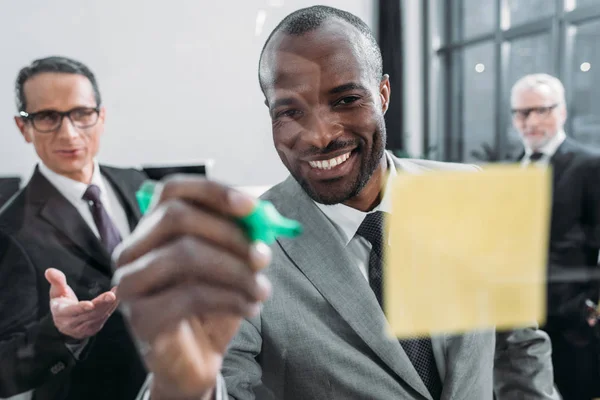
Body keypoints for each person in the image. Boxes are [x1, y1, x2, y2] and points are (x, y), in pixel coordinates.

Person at [117, 6, 557, 400]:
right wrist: (181, 384)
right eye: (290, 111)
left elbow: (516, 346)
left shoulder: (471, 192)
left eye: (346, 100)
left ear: (382, 94)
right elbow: (220, 383)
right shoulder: (245, 249)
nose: (319, 135)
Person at [0, 56, 147, 400]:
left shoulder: (134, 182)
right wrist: (60, 332)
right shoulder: (8, 229)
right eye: (48, 117)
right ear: (24, 128)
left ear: (101, 117)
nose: (69, 133)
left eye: (81, 113)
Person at [512, 73, 600, 400]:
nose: (531, 121)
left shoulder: (591, 166)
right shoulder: (511, 169)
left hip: (573, 322)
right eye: (522, 113)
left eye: (542, 110)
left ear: (561, 112)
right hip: (521, 324)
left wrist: (591, 307)